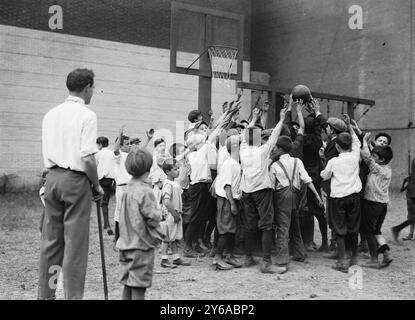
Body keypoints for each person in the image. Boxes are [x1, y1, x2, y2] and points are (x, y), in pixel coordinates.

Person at [38, 68, 104, 300]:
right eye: (93, 87)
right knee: (75, 246)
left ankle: (47, 294)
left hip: (52, 179)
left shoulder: (50, 114)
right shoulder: (87, 115)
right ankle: (73, 297)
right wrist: (96, 185)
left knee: (52, 243)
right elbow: (87, 157)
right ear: (87, 87)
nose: (93, 92)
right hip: (75, 181)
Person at [240, 107, 288, 274]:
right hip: (262, 191)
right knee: (267, 225)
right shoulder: (262, 151)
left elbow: (246, 134)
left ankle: (248, 257)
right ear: (258, 138)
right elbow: (275, 136)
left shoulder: (243, 149)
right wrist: (281, 119)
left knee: (249, 225)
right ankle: (266, 262)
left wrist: (253, 118)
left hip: (247, 191)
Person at [270, 136, 324, 271]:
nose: (274, 149)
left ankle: (282, 259)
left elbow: (271, 185)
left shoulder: (275, 165)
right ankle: (299, 253)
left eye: (276, 147)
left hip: (281, 196)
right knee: (295, 224)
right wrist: (317, 195)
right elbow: (306, 179)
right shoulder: (297, 161)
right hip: (295, 195)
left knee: (283, 226)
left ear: (280, 149)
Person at [116, 148, 163, 300]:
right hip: (140, 246)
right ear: (149, 169)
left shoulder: (126, 190)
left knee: (128, 283)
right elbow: (152, 217)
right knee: (139, 286)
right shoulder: (145, 191)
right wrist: (160, 215)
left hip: (124, 244)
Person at [320, 114, 362, 273]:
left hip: (338, 199)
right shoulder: (355, 155)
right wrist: (350, 126)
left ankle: (342, 261)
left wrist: (323, 159)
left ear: (337, 146)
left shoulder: (333, 161)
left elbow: (325, 175)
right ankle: (354, 258)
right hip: (354, 197)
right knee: (353, 229)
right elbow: (357, 141)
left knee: (340, 229)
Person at [360, 133, 393, 269]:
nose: (373, 158)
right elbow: (373, 155)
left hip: (372, 203)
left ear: (381, 159)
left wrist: (363, 141)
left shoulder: (377, 169)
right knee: (377, 231)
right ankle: (386, 253)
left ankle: (374, 259)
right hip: (383, 205)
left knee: (368, 231)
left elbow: (366, 157)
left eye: (375, 157)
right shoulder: (388, 169)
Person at [301, 98, 328, 252]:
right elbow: (319, 128)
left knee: (304, 211)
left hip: (304, 178)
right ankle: (324, 241)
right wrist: (316, 112)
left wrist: (297, 111)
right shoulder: (317, 140)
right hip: (315, 179)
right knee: (318, 211)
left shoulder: (302, 140)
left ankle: (307, 242)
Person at [213, 135, 243, 270]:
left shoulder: (236, 163)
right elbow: (227, 186)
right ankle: (218, 258)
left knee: (232, 229)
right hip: (227, 200)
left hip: (233, 199)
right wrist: (232, 204)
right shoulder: (229, 164)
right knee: (226, 229)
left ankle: (229, 255)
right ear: (235, 147)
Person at [321, 117, 348, 255]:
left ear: (332, 130)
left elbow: (329, 169)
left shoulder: (334, 145)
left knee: (334, 216)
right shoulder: (342, 143)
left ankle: (337, 246)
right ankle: (337, 244)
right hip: (343, 187)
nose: (325, 129)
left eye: (327, 127)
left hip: (333, 186)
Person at [159, 158, 191, 268]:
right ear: (167, 171)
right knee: (167, 237)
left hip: (175, 214)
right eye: (175, 169)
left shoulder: (174, 183)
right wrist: (174, 214)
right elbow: (167, 202)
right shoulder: (168, 184)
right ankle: (164, 259)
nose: (177, 171)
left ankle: (176, 257)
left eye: (178, 168)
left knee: (174, 237)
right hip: (170, 214)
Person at [113, 126, 132, 242]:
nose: (129, 145)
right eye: (126, 144)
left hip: (130, 188)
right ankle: (118, 238)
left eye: (129, 143)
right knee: (119, 212)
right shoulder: (118, 156)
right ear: (121, 145)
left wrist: (148, 140)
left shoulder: (129, 156)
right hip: (122, 188)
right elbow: (115, 149)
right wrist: (119, 134)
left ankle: (126, 237)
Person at [96, 136, 116, 235]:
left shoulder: (98, 154)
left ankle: (107, 224)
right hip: (111, 180)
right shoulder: (112, 153)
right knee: (107, 201)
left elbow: (95, 166)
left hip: (102, 180)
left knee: (104, 203)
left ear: (99, 144)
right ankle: (106, 223)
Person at [392, 157, 415, 241]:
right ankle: (398, 229)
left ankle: (399, 229)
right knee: (412, 216)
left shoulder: (414, 160)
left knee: (413, 216)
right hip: (413, 193)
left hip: (411, 193)